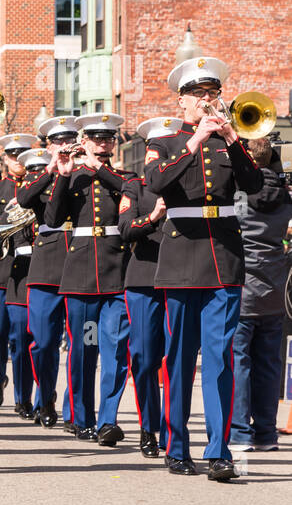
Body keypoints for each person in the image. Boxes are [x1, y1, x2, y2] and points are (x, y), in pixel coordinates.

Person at [144, 55, 262, 480]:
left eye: (212, 94)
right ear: (182, 103)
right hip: (180, 256)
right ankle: (176, 446)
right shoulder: (167, 141)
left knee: (220, 357)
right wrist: (194, 142)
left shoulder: (230, 141)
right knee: (178, 357)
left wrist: (231, 138)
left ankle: (220, 450)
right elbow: (156, 183)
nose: (207, 101)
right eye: (198, 95)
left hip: (224, 255)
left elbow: (254, 185)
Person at [47, 114, 131, 445]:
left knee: (115, 350)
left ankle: (108, 419)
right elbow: (53, 218)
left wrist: (98, 169)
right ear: (85, 140)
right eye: (96, 138)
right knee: (86, 348)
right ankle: (82, 416)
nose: (102, 143)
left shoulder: (123, 177)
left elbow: (128, 191)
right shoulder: (74, 178)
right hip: (82, 280)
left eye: (108, 138)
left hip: (115, 277)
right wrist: (62, 175)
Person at [17, 116, 81, 429]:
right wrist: (51, 170)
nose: (64, 146)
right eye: (57, 142)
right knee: (42, 342)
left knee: (84, 340)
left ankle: (75, 409)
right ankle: (45, 396)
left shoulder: (87, 171)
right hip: (46, 269)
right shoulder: (39, 175)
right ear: (48, 146)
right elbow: (24, 198)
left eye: (69, 140)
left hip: (82, 265)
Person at [230, 134, 292, 452]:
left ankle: (240, 432)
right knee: (269, 363)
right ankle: (266, 433)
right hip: (275, 288)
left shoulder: (239, 192)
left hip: (243, 287)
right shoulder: (284, 194)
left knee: (239, 360)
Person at [119, 118, 176, 457]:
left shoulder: (186, 184)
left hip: (180, 277)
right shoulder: (135, 187)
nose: (160, 154)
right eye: (155, 149)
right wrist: (153, 217)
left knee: (174, 359)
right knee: (143, 358)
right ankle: (147, 427)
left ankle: (172, 431)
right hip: (142, 280)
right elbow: (125, 228)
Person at [0, 133, 39, 416]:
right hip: (0, 266)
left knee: (21, 334)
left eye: (22, 155)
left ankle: (21, 397)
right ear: (5, 158)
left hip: (28, 265)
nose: (17, 160)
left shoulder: (37, 186)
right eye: (12, 155)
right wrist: (9, 218)